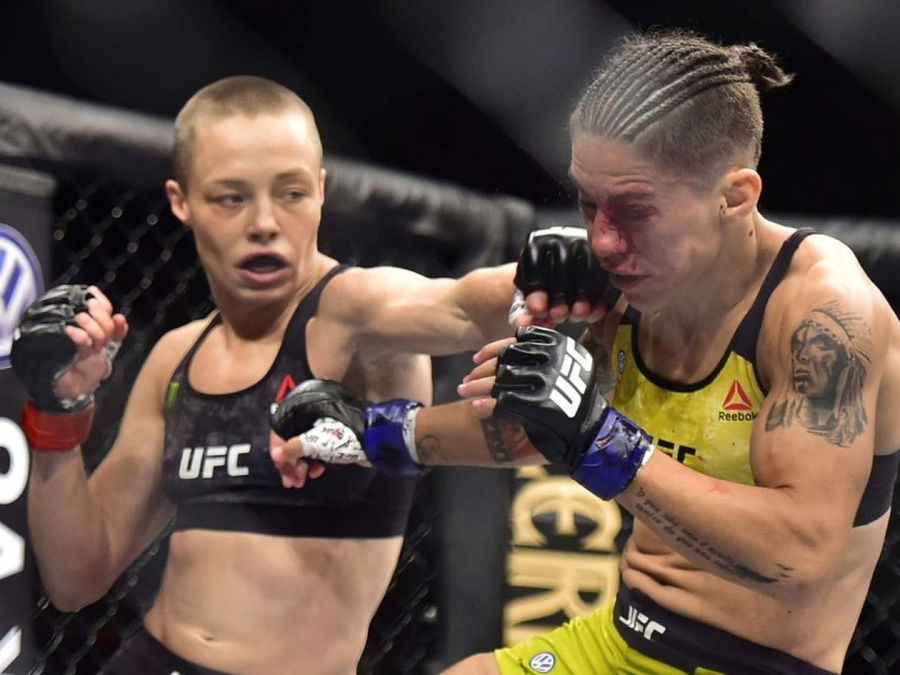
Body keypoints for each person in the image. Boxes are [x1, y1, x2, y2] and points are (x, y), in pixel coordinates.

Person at [269, 30, 900, 674]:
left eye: (634, 210)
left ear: (735, 197)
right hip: (620, 640)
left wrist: (597, 439)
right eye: (589, 202)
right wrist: (368, 433)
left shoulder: (822, 316)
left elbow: (797, 556)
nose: (602, 240)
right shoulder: (629, 281)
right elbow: (516, 402)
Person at [11, 75, 603, 675]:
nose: (265, 222)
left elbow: (459, 304)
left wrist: (552, 269)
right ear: (181, 201)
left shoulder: (353, 315)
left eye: (290, 193)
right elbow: (75, 577)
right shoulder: (176, 356)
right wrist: (59, 409)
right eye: (231, 198)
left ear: (320, 191)